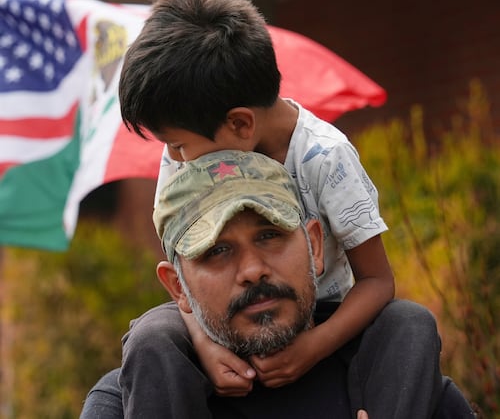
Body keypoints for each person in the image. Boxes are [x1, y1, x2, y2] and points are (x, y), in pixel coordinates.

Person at [117, 0, 471, 418]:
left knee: (410, 324)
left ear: (240, 125)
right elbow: (187, 279)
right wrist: (205, 345)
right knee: (151, 332)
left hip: (323, 320)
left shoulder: (326, 157)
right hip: (222, 320)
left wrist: (314, 347)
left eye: (179, 144)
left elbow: (378, 281)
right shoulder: (186, 156)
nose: (171, 157)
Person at [80, 150, 474, 419]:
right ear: (177, 287)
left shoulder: (407, 388)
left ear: (315, 246)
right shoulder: (129, 403)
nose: (252, 270)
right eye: (216, 251)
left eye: (270, 235)